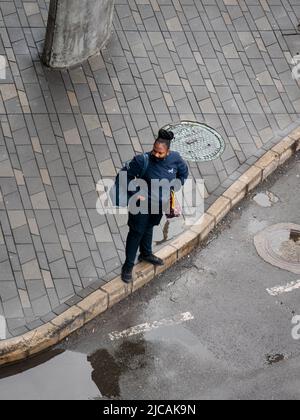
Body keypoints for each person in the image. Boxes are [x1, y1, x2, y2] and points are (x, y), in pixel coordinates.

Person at [121, 129, 189, 283]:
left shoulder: (176, 159)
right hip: (140, 206)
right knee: (136, 232)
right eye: (154, 151)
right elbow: (126, 176)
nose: (156, 155)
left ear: (168, 151)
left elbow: (183, 174)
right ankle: (128, 265)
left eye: (160, 153)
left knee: (150, 227)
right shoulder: (142, 161)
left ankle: (146, 254)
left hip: (159, 205)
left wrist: (174, 187)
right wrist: (135, 192)